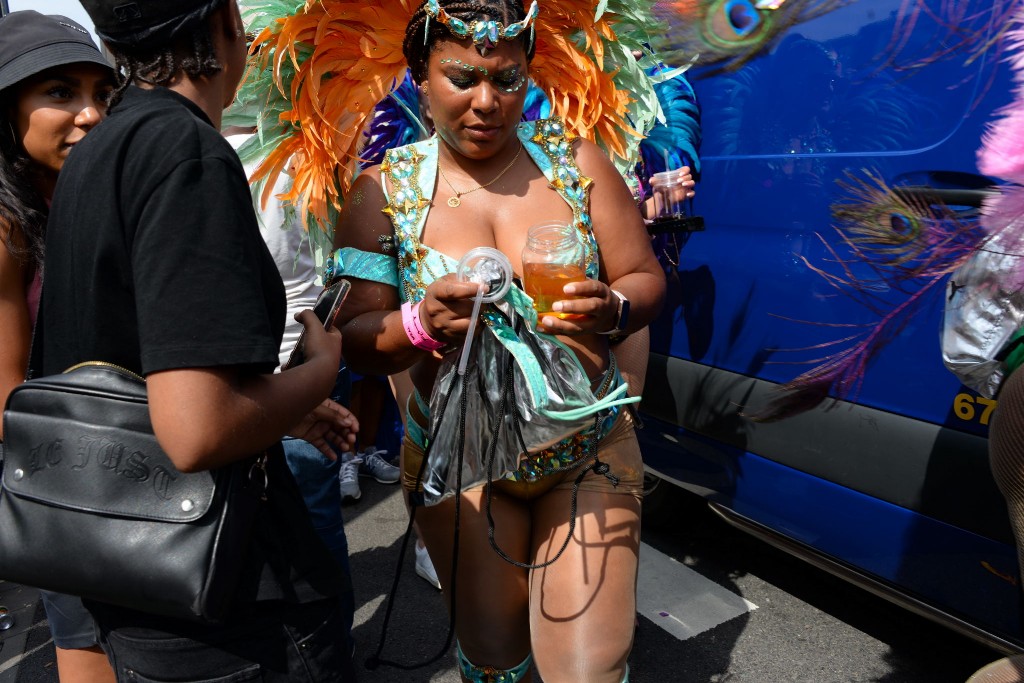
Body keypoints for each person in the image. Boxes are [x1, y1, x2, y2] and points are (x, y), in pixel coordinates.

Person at [333, 0, 666, 680]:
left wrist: (614, 306)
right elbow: (354, 339)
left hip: (587, 448)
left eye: (507, 80)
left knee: (588, 668)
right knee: (495, 658)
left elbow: (643, 276)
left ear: (526, 78)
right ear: (420, 80)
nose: (486, 101)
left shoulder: (578, 166)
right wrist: (421, 324)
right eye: (462, 77)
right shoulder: (379, 194)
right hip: (461, 465)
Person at [40, 0, 356, 679]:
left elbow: (129, 368)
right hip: (226, 602)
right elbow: (196, 430)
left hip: (134, 574)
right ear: (226, 23)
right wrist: (319, 368)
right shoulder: (184, 150)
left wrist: (279, 406)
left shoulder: (101, 148)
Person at [0, 11, 117, 683]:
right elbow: (7, 398)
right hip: (64, 488)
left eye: (101, 93)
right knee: (88, 641)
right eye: (60, 93)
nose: (91, 114)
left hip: (121, 466)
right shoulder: (10, 223)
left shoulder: (83, 194)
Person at [223, 124, 361, 660]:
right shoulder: (311, 139)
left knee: (308, 520)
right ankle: (317, 647)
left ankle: (324, 648)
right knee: (293, 522)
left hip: (293, 366)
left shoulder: (308, 143)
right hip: (273, 369)